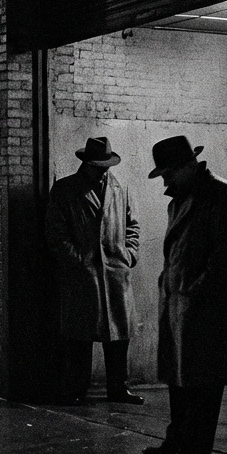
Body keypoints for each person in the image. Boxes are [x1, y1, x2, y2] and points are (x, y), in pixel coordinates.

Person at [142, 136, 227, 454]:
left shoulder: (221, 196)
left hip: (203, 309)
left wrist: (197, 291)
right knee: (179, 381)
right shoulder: (181, 199)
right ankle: (177, 443)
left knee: (202, 385)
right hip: (179, 305)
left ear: (189, 166)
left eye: (169, 173)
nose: (166, 181)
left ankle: (194, 451)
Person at [45, 136, 143, 405]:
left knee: (118, 336)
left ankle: (118, 388)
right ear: (86, 163)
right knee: (80, 336)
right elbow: (56, 233)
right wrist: (78, 260)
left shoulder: (120, 187)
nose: (103, 170)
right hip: (83, 274)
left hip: (115, 272)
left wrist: (129, 255)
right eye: (98, 165)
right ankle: (76, 390)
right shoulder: (65, 190)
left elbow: (132, 226)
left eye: (106, 165)